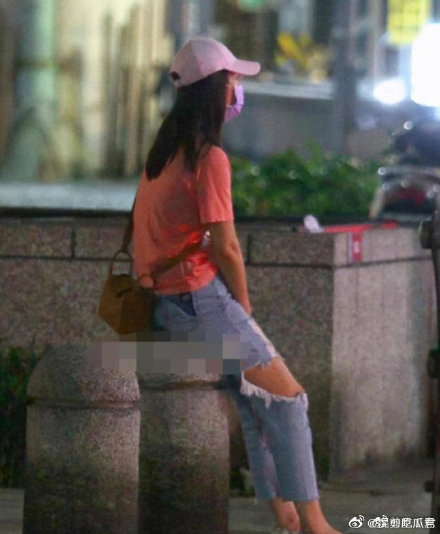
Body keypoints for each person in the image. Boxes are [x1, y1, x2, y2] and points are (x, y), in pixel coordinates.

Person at [132, 36, 340, 534]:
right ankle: (315, 524)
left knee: (253, 401)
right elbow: (227, 247)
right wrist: (243, 309)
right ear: (214, 89)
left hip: (167, 304)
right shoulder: (209, 158)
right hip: (201, 301)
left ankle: (285, 516)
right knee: (288, 400)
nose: (237, 88)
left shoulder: (163, 155)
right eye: (232, 80)